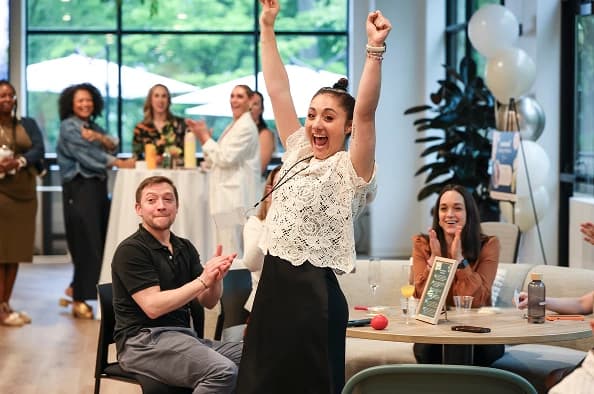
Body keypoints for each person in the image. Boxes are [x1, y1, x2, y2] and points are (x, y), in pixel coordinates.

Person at [236, 2, 390, 393]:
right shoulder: (297, 150)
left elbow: (369, 112)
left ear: (348, 126)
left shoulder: (350, 170)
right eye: (312, 115)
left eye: (328, 117)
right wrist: (267, 27)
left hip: (314, 303)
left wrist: (374, 51)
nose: (316, 124)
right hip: (270, 295)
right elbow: (277, 88)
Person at [111, 175, 242, 392]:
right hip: (142, 343)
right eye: (151, 200)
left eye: (168, 199)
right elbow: (153, 307)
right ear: (138, 209)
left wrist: (215, 280)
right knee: (223, 371)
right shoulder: (131, 250)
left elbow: (208, 302)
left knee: (255, 357)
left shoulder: (184, 247)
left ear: (177, 206)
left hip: (182, 337)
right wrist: (202, 280)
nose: (161, 206)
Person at [56, 82, 135, 319]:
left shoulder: (91, 126)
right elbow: (88, 156)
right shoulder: (69, 127)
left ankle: (76, 288)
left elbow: (113, 141)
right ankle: (80, 298)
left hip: (96, 189)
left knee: (96, 240)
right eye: (80, 100)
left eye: (88, 100)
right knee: (84, 241)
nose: (85, 104)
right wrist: (117, 162)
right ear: (71, 103)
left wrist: (99, 137)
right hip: (80, 188)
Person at [411, 184, 504, 366]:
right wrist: (435, 264)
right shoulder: (423, 243)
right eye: (443, 208)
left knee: (468, 348)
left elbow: (476, 300)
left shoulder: (489, 245)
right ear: (437, 215)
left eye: (458, 208)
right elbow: (424, 301)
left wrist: (460, 261)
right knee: (425, 349)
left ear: (469, 213)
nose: (450, 214)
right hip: (436, 333)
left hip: (479, 333)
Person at [185, 84, 260, 255]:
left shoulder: (246, 127)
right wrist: (203, 138)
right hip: (225, 196)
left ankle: (234, 282)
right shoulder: (233, 125)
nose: (234, 100)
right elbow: (216, 159)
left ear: (250, 101)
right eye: (232, 96)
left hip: (235, 198)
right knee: (224, 246)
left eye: (240, 96)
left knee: (232, 250)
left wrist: (204, 138)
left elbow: (225, 158)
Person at [0, 79, 45, 327]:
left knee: (15, 252)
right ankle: (1, 308)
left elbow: (38, 149)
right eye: (2, 96)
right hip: (1, 196)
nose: (7, 99)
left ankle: (5, 304)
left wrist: (19, 162)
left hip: (25, 196)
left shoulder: (27, 124)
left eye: (10, 95)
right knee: (0, 253)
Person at [240, 164, 281, 313]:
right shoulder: (256, 224)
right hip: (264, 306)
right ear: (269, 192)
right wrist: (272, 220)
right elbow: (251, 263)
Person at [132, 84, 186, 166]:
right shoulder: (140, 128)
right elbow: (136, 157)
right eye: (156, 96)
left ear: (168, 100)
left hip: (176, 172)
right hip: (149, 174)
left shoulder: (180, 124)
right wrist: (151, 159)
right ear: (150, 100)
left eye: (164, 96)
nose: (160, 100)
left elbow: (186, 155)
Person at [250, 91, 276, 176]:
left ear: (261, 109)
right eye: (248, 103)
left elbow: (258, 169)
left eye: (255, 104)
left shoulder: (265, 134)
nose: (250, 107)